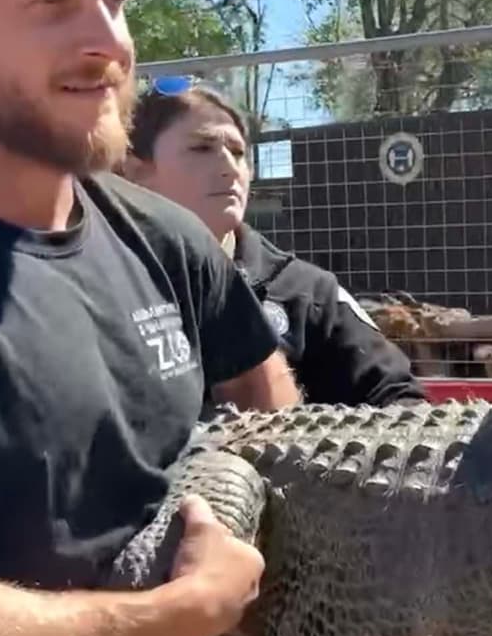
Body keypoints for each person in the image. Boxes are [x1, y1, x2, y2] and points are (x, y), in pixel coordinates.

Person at [0, 0, 302, 636]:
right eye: (54, 3)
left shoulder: (163, 236)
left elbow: (272, 406)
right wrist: (180, 612)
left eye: (115, 3)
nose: (111, 43)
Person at [120, 83, 427, 407]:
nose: (229, 168)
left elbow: (402, 403)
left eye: (238, 153)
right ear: (136, 172)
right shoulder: (97, 285)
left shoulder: (307, 293)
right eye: (201, 148)